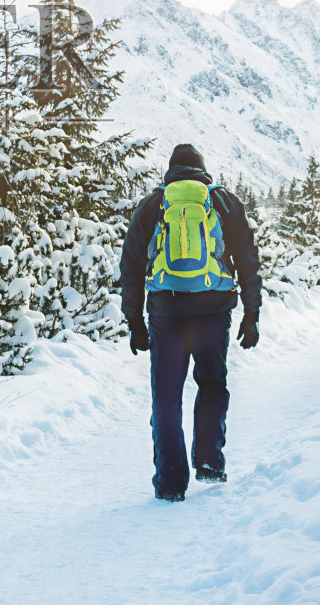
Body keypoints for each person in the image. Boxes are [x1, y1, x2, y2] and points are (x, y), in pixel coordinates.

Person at [118, 143, 261, 502]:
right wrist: (252, 313)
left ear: (170, 172)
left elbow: (131, 265)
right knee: (212, 384)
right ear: (202, 170)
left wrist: (134, 321)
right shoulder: (224, 202)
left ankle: (170, 483)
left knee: (166, 397)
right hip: (214, 310)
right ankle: (209, 461)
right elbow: (248, 259)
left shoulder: (153, 205)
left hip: (166, 313)